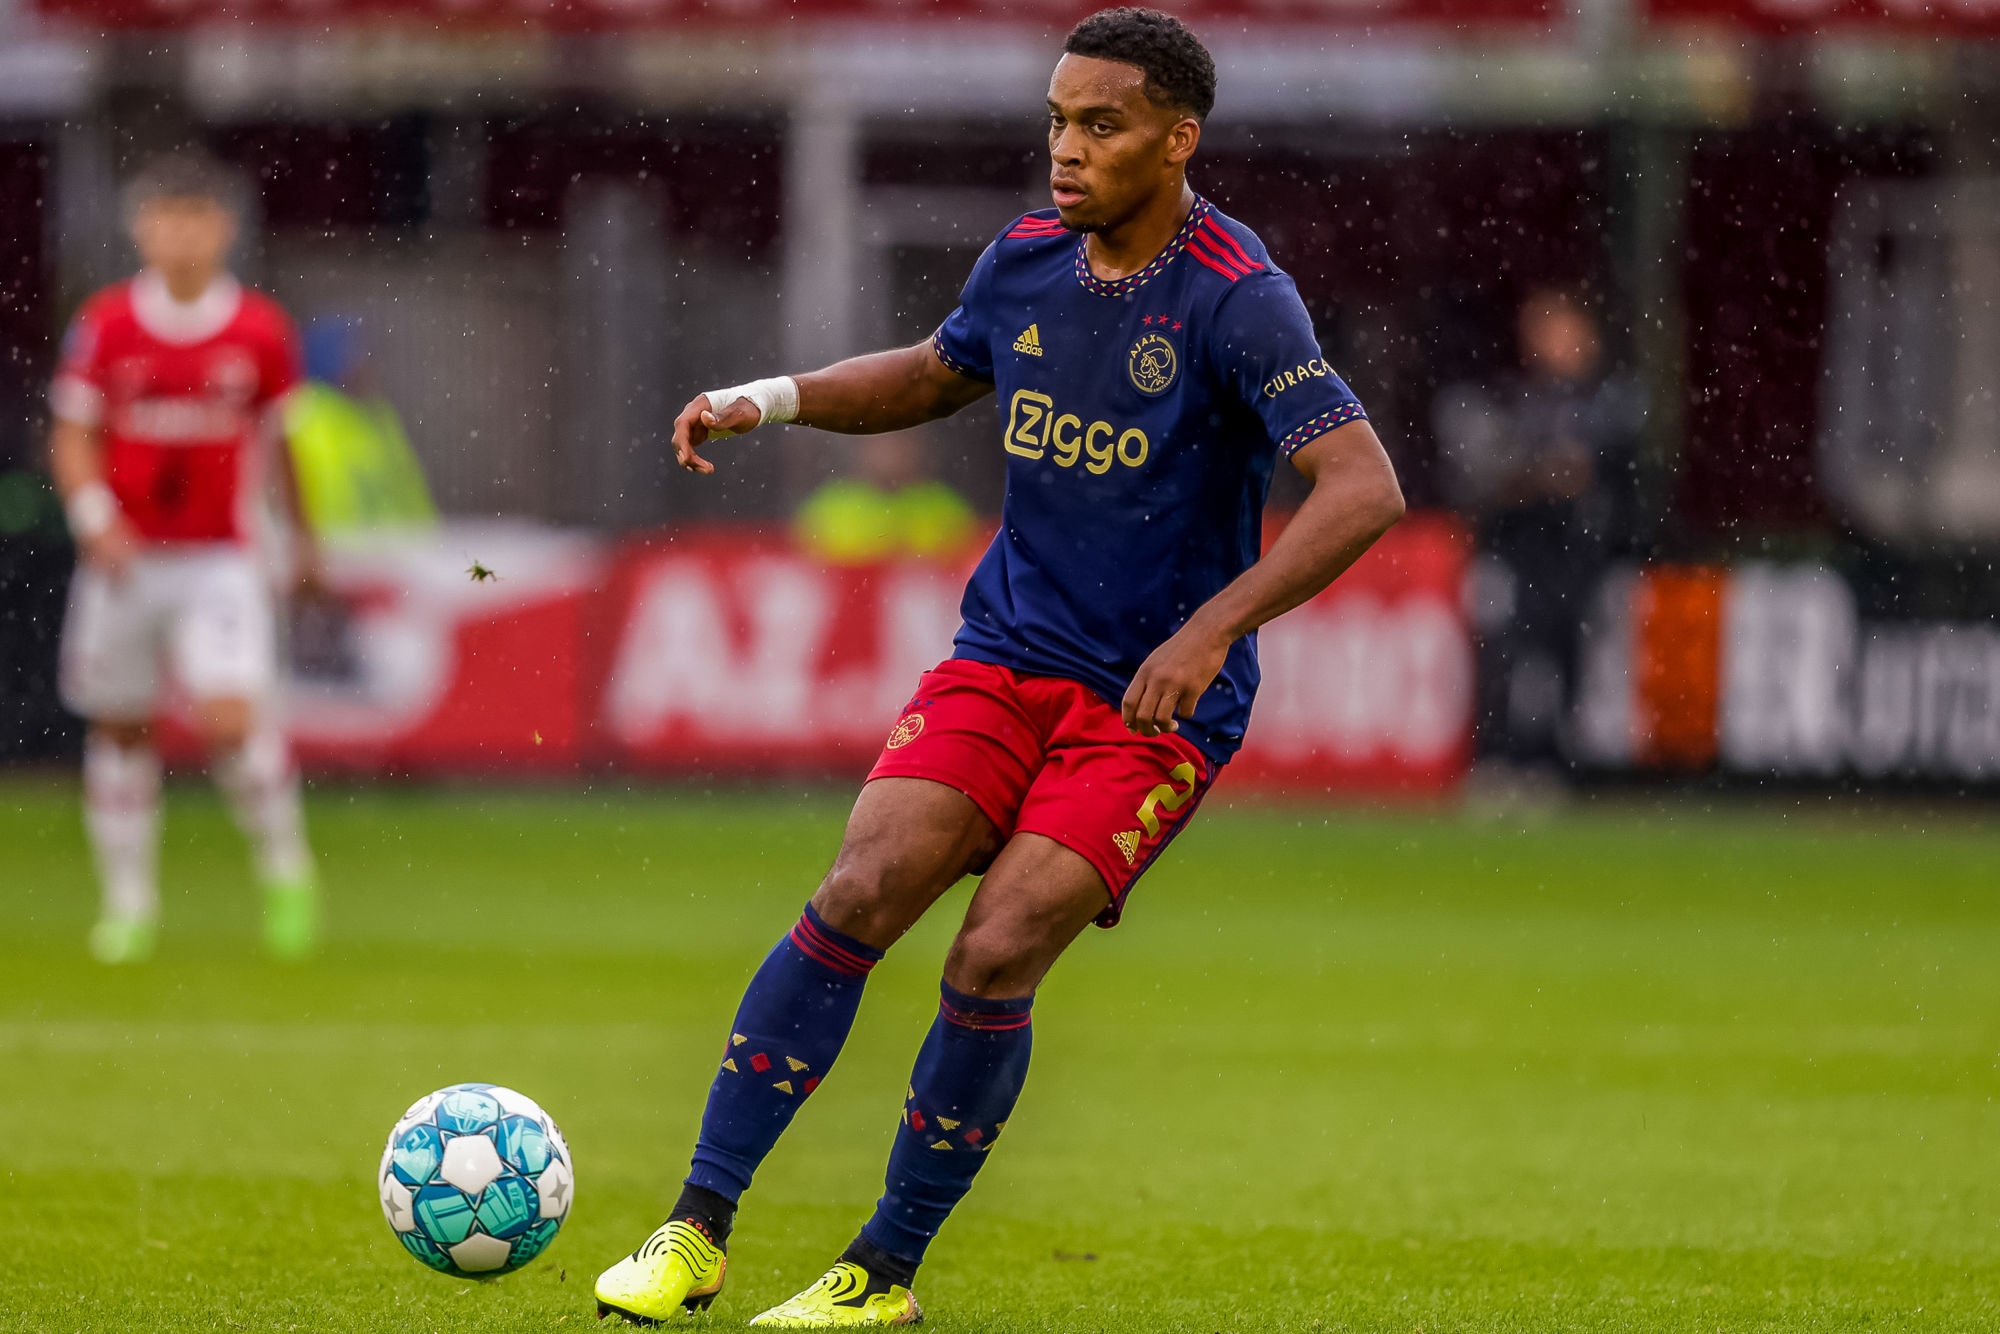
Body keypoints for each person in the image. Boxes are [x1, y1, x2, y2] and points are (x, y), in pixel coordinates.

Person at [593, 9, 1404, 1326]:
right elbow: (932, 374)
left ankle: (880, 1272)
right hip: (1006, 654)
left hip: (1147, 706)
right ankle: (694, 1229)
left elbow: (1361, 487)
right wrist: (773, 398)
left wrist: (1208, 631)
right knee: (860, 887)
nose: (1066, 150)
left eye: (1101, 125)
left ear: (1177, 139)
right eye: (1057, 121)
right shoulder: (1026, 258)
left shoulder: (1236, 294)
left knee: (995, 948)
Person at [48, 153, 322, 965]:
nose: (180, 235)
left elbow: (282, 444)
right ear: (141, 228)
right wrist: (94, 517)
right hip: (125, 560)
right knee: (121, 729)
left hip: (218, 559)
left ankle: (286, 870)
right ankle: (128, 906)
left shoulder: (258, 330)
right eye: (166, 218)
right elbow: (72, 434)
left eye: (195, 218)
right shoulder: (107, 324)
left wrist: (305, 541)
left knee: (230, 723)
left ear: (223, 228)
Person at [1432, 287, 1643, 775]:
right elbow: (1493, 475)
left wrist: (1532, 475)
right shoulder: (1523, 401)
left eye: (1557, 328)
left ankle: (1556, 759)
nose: (1548, 342)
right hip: (1525, 550)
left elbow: (1580, 471)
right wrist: (1533, 475)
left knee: (1567, 653)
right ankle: (1506, 752)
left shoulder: (1611, 402)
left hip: (1581, 554)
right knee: (1507, 649)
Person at [793, 429, 978, 565]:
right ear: (861, 447)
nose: (890, 450)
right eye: (881, 439)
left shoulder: (945, 508)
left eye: (902, 439)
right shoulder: (828, 509)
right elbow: (802, 570)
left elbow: (967, 565)